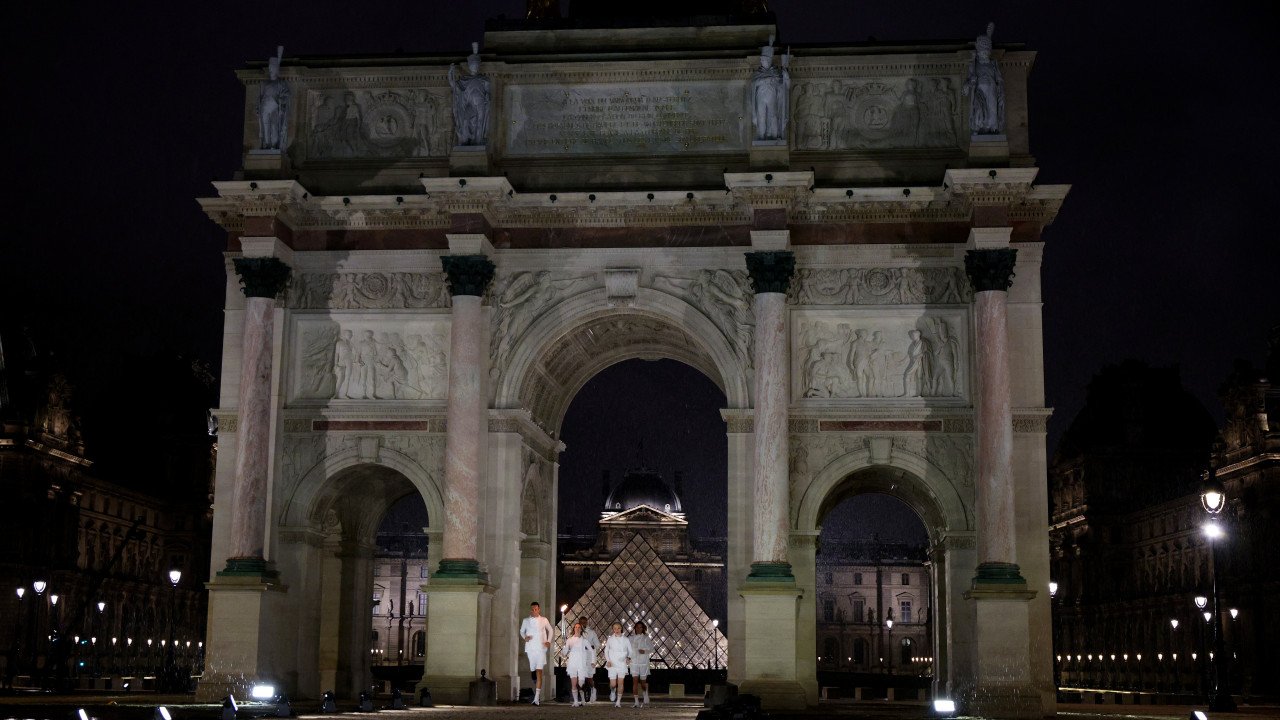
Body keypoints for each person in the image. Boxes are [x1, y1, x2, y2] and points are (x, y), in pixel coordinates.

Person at [519, 601, 553, 705]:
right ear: (531, 610)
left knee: (539, 671)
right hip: (530, 649)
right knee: (533, 670)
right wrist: (525, 637)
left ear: (539, 609)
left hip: (541, 648)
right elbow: (521, 631)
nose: (534, 611)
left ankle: (537, 698)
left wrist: (548, 641)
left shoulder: (544, 620)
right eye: (532, 609)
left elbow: (551, 630)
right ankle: (534, 677)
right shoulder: (526, 621)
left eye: (536, 609)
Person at [565, 621, 593, 707]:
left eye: (579, 627)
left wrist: (593, 661)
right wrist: (565, 647)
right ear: (574, 629)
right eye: (576, 627)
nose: (577, 629)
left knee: (580, 684)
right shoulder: (569, 640)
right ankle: (576, 701)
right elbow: (565, 652)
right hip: (572, 663)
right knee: (574, 684)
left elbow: (591, 651)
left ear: (581, 629)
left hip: (581, 664)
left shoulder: (584, 641)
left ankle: (583, 699)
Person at [603, 622, 631, 707]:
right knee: (613, 684)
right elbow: (606, 651)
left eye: (618, 628)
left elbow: (630, 651)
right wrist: (608, 660)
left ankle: (618, 701)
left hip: (622, 663)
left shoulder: (626, 639)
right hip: (612, 663)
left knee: (621, 683)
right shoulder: (610, 639)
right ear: (613, 629)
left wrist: (628, 658)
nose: (617, 630)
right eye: (615, 628)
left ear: (621, 628)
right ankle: (612, 691)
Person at [629, 621, 655, 708]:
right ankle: (636, 702)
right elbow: (627, 649)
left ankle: (645, 694)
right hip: (634, 662)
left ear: (643, 628)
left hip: (643, 662)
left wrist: (645, 651)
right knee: (635, 682)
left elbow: (652, 649)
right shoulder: (630, 638)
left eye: (640, 627)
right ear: (635, 628)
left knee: (643, 682)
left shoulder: (646, 638)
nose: (638, 629)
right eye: (637, 627)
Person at [580, 615, 601, 702]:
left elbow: (598, 645)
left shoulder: (592, 632)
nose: (583, 624)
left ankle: (593, 689)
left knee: (589, 677)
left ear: (587, 622)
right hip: (580, 656)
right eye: (581, 622)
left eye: (584, 622)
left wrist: (591, 647)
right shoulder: (577, 632)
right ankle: (582, 697)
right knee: (580, 677)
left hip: (589, 656)